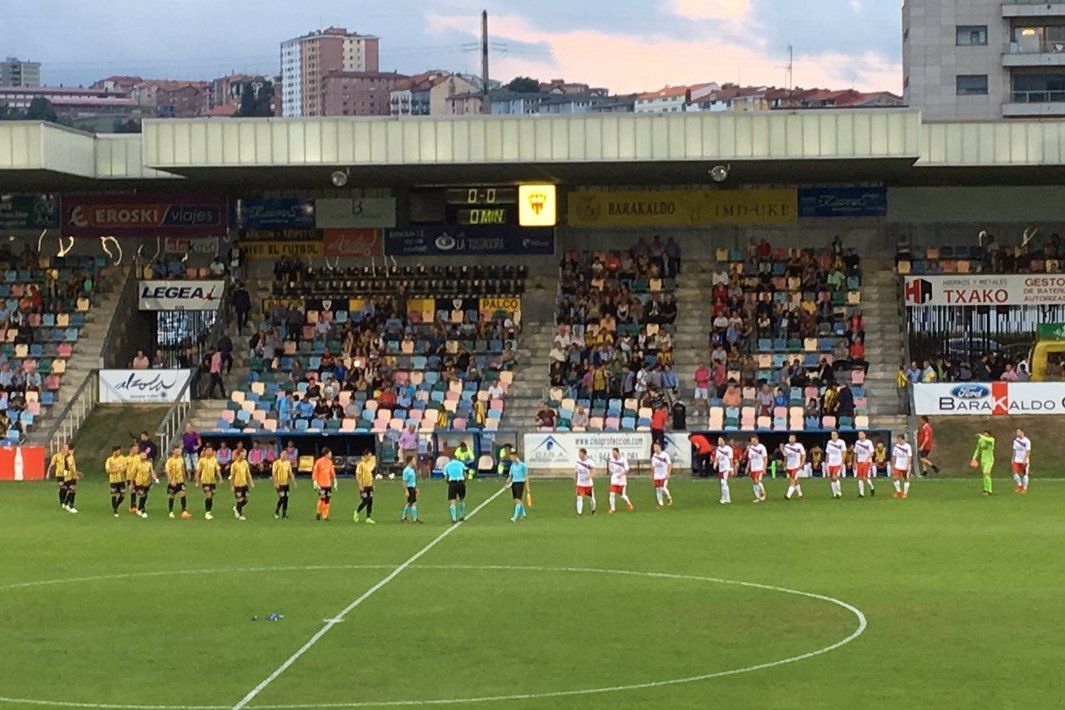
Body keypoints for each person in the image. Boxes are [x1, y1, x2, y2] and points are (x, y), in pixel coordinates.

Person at [164, 445, 191, 519]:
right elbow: (167, 471)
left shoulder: (181, 459)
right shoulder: (169, 460)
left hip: (180, 480)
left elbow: (182, 468)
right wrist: (170, 480)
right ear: (173, 451)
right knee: (172, 496)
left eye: (179, 450)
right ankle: (171, 511)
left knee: (182, 494)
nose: (178, 452)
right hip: (173, 481)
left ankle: (184, 510)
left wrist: (185, 478)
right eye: (176, 451)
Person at [196, 445, 222, 520]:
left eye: (210, 450)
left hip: (212, 481)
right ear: (205, 452)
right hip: (205, 480)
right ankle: (207, 513)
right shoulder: (202, 460)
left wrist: (220, 478)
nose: (209, 452)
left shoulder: (214, 460)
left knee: (211, 496)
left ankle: (208, 510)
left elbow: (217, 470)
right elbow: (198, 471)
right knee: (208, 495)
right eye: (208, 450)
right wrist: (197, 481)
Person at [312, 448, 337, 521]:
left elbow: (332, 472)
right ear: (326, 454)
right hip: (321, 485)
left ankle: (325, 515)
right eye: (330, 453)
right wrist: (315, 482)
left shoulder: (329, 462)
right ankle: (318, 512)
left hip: (328, 484)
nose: (331, 455)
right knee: (322, 499)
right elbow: (315, 472)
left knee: (327, 500)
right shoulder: (319, 462)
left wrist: (335, 480)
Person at [505, 451, 530, 523]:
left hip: (520, 483)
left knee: (518, 500)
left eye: (512, 457)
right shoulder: (512, 466)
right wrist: (507, 482)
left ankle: (514, 518)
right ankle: (523, 514)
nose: (511, 458)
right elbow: (510, 475)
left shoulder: (523, 465)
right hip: (514, 483)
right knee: (516, 500)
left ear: (516, 456)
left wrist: (527, 487)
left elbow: (526, 476)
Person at [442, 455, 468, 523]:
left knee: (452, 500)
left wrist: (448, 483)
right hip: (460, 482)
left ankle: (454, 518)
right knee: (461, 499)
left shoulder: (447, 465)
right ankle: (461, 516)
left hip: (452, 483)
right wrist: (464, 482)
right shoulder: (461, 463)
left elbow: (446, 477)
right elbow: (465, 475)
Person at [607, 447, 633, 513]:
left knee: (622, 495)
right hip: (614, 478)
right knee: (612, 494)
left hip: (622, 479)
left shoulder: (623, 460)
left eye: (614, 453)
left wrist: (621, 474)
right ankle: (612, 508)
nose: (613, 454)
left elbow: (627, 469)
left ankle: (629, 503)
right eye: (612, 453)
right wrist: (610, 465)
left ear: (618, 453)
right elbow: (611, 470)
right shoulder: (612, 460)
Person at [229, 449, 253, 520]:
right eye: (242, 455)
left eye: (244, 455)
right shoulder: (234, 465)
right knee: (240, 499)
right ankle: (240, 515)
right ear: (238, 455)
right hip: (237, 485)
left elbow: (248, 473)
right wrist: (232, 486)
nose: (244, 456)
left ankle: (236, 508)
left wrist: (251, 482)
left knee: (245, 500)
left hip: (244, 484)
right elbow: (232, 476)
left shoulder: (245, 463)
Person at [271, 449, 296, 520]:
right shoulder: (276, 463)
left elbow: (290, 473)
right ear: (280, 455)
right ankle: (276, 511)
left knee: (286, 499)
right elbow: (274, 473)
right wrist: (276, 483)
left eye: (285, 455)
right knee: (282, 497)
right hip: (279, 484)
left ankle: (284, 515)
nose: (284, 456)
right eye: (283, 454)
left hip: (286, 484)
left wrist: (294, 481)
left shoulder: (288, 463)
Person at [105, 446, 128, 517]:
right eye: (118, 451)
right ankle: (115, 510)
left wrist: (123, 469)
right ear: (114, 451)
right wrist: (116, 470)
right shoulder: (109, 460)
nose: (119, 452)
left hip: (121, 480)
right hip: (113, 480)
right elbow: (108, 470)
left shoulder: (122, 458)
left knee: (123, 495)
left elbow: (125, 467)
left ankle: (116, 505)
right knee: (114, 495)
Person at [354, 451, 377, 525]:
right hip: (363, 486)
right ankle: (357, 511)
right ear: (366, 456)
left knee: (370, 501)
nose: (370, 457)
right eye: (369, 456)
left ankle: (368, 518)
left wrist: (373, 484)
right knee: (365, 501)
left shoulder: (370, 464)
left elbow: (370, 475)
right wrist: (360, 485)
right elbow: (357, 475)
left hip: (369, 486)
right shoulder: (361, 464)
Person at [132, 450, 156, 519]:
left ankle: (141, 507)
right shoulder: (136, 464)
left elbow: (152, 472)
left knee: (145, 496)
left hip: (146, 483)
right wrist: (131, 483)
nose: (143, 456)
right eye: (142, 455)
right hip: (139, 483)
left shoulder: (149, 464)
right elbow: (133, 474)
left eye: (144, 455)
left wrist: (155, 478)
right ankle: (140, 509)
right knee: (142, 495)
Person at [573, 448, 597, 516]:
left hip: (588, 484)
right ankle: (579, 513)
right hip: (580, 483)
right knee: (579, 497)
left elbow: (593, 471)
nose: (579, 455)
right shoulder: (577, 462)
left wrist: (589, 476)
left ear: (584, 454)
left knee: (591, 499)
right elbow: (576, 472)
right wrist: (575, 481)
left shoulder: (590, 462)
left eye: (580, 453)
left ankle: (593, 510)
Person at [852, 431, 876, 498]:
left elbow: (871, 453)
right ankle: (861, 493)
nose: (860, 435)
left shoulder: (868, 442)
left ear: (865, 435)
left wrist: (867, 460)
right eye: (859, 434)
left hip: (867, 462)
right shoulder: (857, 442)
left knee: (865, 477)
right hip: (859, 461)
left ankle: (872, 487)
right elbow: (855, 453)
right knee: (860, 477)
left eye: (861, 434)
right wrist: (854, 462)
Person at [971, 430, 995, 497]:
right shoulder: (980, 441)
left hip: (989, 460)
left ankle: (989, 490)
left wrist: (980, 435)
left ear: (989, 435)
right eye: (984, 434)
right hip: (983, 460)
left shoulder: (991, 439)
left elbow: (988, 440)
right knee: (985, 475)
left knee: (986, 473)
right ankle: (985, 489)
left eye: (986, 434)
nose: (985, 435)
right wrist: (974, 458)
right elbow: (978, 450)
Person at [783, 434, 806, 501]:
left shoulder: (799, 446)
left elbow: (803, 455)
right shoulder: (786, 446)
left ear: (795, 439)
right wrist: (785, 465)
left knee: (792, 481)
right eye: (790, 438)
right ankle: (800, 493)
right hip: (789, 466)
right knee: (795, 481)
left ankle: (788, 495)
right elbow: (785, 457)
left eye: (793, 438)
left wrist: (801, 463)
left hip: (796, 466)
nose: (791, 439)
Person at [825, 430, 846, 500]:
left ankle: (839, 491)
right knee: (832, 479)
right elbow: (827, 453)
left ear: (837, 435)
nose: (833, 436)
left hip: (838, 463)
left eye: (834, 435)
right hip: (831, 463)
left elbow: (844, 452)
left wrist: (842, 462)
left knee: (835, 477)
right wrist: (826, 462)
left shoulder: (841, 442)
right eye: (832, 435)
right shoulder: (829, 442)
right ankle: (834, 494)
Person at [650, 441, 673, 507]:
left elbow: (670, 464)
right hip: (657, 475)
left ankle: (669, 497)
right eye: (653, 447)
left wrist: (668, 473)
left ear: (659, 447)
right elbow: (653, 467)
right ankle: (660, 503)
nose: (654, 448)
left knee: (663, 488)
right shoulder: (654, 456)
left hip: (664, 474)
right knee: (658, 489)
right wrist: (652, 476)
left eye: (655, 447)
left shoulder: (665, 455)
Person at [746, 435, 768, 503]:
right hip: (753, 468)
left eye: (753, 440)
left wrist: (764, 468)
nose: (752, 442)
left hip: (759, 467)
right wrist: (747, 467)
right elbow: (750, 459)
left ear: (757, 440)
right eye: (751, 441)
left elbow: (765, 458)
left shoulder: (762, 447)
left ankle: (764, 494)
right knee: (755, 483)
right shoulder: (750, 448)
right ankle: (758, 497)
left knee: (756, 481)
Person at [400, 455, 421, 523]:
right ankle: (413, 519)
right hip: (409, 488)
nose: (415, 461)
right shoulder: (406, 470)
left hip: (412, 488)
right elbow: (404, 481)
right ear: (410, 461)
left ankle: (405, 518)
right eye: (414, 460)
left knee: (411, 503)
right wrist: (406, 490)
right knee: (412, 503)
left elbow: (412, 481)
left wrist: (416, 488)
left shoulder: (412, 470)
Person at [893, 433, 914, 499]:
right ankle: (898, 491)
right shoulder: (896, 446)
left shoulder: (908, 446)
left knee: (906, 479)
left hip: (905, 466)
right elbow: (894, 456)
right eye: (897, 439)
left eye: (899, 439)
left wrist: (908, 465)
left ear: (903, 439)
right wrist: (893, 464)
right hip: (897, 465)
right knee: (895, 478)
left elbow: (909, 456)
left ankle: (905, 493)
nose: (898, 441)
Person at [48, 443, 69, 511]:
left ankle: (64, 501)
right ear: (62, 448)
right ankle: (62, 501)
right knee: (62, 487)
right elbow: (51, 465)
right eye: (66, 448)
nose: (67, 449)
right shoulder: (56, 456)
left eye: (67, 448)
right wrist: (48, 473)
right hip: (59, 475)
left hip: (66, 475)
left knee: (65, 488)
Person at [60, 444, 80, 513]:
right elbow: (71, 467)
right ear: (73, 449)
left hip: (67, 476)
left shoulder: (66, 456)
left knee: (70, 490)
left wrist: (77, 473)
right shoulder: (70, 457)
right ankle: (71, 506)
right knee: (72, 491)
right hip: (70, 476)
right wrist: (75, 475)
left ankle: (65, 503)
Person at [714, 437, 733, 505]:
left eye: (720, 440)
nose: (719, 441)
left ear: (724, 441)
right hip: (721, 468)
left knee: (723, 482)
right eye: (718, 440)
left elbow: (731, 459)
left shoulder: (728, 449)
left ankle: (725, 498)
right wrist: (715, 463)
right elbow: (717, 457)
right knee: (723, 483)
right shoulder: (718, 449)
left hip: (726, 468)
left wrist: (731, 469)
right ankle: (726, 498)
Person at [1012, 428, 1031, 494]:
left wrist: (1024, 460)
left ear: (1022, 432)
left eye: (1018, 432)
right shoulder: (1015, 440)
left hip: (1024, 460)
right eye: (1016, 432)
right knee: (1014, 472)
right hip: (1017, 460)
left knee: (1024, 474)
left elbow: (1028, 451)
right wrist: (1013, 459)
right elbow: (1014, 450)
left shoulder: (1027, 441)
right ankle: (1019, 485)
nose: (1017, 433)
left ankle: (1025, 488)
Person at [125, 443, 141, 513]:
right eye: (135, 449)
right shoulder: (126, 459)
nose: (137, 450)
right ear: (131, 449)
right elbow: (124, 468)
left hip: (138, 477)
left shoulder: (139, 457)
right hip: (130, 478)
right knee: (133, 491)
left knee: (140, 492)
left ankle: (139, 506)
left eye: (137, 449)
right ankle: (133, 506)